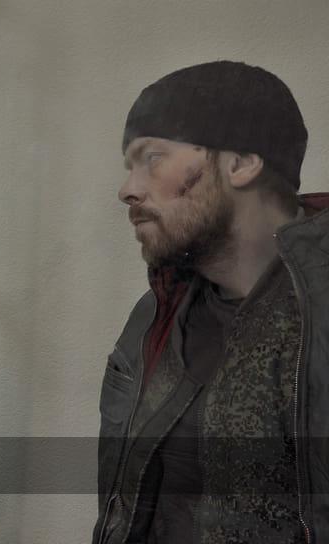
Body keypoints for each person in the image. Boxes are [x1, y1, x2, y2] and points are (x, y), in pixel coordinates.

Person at [93, 61, 329, 543]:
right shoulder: (154, 316)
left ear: (240, 163)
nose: (127, 190)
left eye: (153, 158)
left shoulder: (319, 322)